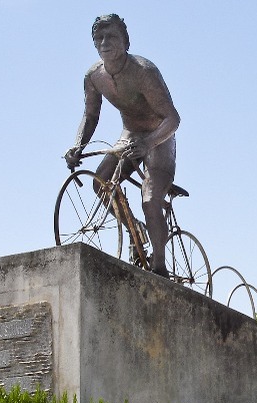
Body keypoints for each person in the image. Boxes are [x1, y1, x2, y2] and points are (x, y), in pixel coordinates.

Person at [65, 14, 180, 278]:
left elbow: (172, 119)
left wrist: (149, 142)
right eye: (99, 38)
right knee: (100, 182)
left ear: (125, 42)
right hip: (130, 134)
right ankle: (134, 230)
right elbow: (90, 115)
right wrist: (77, 147)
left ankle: (160, 267)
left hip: (158, 136)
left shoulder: (144, 72)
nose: (104, 43)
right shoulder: (94, 77)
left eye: (111, 37)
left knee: (150, 200)